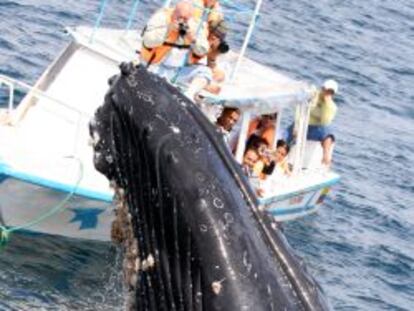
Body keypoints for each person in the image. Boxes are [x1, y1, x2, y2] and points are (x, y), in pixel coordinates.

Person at [140, 1, 210, 84]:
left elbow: (203, 51)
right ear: (174, 12)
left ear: (190, 17)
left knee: (205, 72)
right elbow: (148, 41)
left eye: (185, 19)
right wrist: (168, 30)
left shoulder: (195, 26)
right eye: (179, 17)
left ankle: (189, 94)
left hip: (178, 70)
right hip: (155, 65)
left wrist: (193, 40)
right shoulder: (161, 17)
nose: (182, 21)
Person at [288, 79, 338, 166]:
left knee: (328, 132)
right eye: (326, 90)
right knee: (285, 134)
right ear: (322, 88)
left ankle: (326, 157)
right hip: (302, 123)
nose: (327, 93)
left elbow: (324, 121)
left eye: (330, 92)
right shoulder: (314, 94)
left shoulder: (332, 107)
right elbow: (299, 109)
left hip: (315, 129)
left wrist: (326, 104)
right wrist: (297, 125)